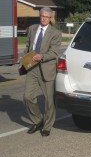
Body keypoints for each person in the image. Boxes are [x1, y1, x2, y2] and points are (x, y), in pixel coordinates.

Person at [23, 7, 62, 136]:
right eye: (42, 16)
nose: (44, 18)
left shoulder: (55, 33)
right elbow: (28, 46)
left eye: (47, 16)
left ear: (50, 18)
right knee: (28, 96)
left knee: (49, 101)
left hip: (47, 68)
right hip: (32, 68)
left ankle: (47, 126)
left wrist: (42, 56)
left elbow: (55, 52)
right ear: (39, 16)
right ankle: (37, 120)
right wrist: (24, 60)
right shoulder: (32, 29)